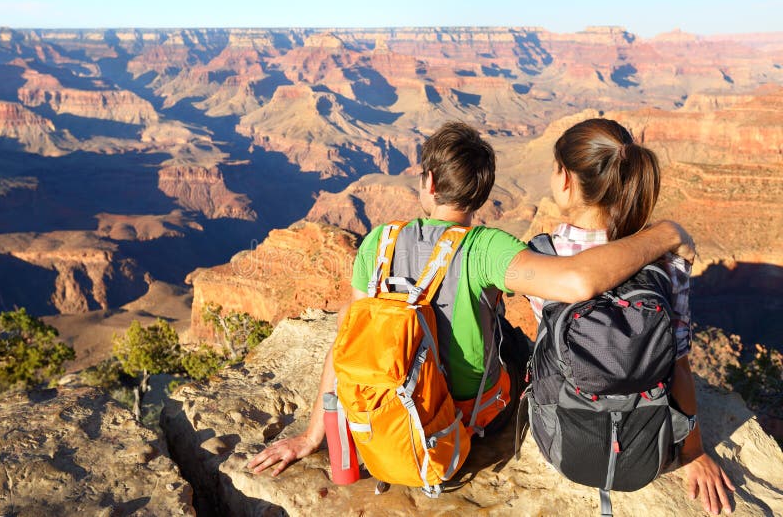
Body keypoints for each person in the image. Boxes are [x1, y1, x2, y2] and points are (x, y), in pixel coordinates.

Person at [247, 121, 694, 480]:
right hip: (466, 421)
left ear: (429, 182)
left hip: (385, 413)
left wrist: (311, 437)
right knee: (516, 340)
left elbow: (348, 341)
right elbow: (576, 283)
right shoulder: (489, 248)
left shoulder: (377, 244)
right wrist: (666, 233)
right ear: (481, 192)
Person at [527, 118, 734, 515]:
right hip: (649, 450)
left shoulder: (542, 258)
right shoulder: (667, 262)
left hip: (563, 444)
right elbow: (681, 368)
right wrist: (692, 453)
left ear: (565, 180)